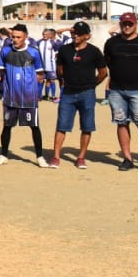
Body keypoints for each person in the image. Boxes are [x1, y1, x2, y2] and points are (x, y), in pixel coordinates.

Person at [104, 11, 138, 174]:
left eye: (130, 24)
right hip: (117, 90)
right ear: (120, 24)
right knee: (121, 123)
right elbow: (108, 61)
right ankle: (127, 158)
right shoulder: (111, 43)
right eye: (124, 24)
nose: (127, 26)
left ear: (136, 24)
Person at [49, 22, 108, 169]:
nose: (75, 35)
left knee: (87, 126)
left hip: (87, 93)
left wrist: (91, 85)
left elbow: (103, 73)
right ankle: (56, 156)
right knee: (61, 125)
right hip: (68, 93)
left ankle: (81, 157)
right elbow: (60, 70)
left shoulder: (94, 51)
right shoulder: (64, 50)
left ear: (87, 36)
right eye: (73, 32)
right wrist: (64, 84)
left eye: (79, 33)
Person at [0, 24, 45, 166]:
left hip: (29, 98)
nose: (15, 40)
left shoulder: (33, 52)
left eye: (18, 37)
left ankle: (40, 157)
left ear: (25, 37)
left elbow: (40, 74)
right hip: (10, 98)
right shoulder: (5, 51)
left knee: (34, 126)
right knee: (7, 126)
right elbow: (2, 72)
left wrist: (35, 91)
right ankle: (3, 155)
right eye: (13, 37)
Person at [37, 27, 61, 102]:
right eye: (43, 34)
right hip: (41, 66)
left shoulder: (53, 43)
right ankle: (39, 96)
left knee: (51, 81)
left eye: (46, 34)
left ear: (49, 35)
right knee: (40, 80)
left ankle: (53, 96)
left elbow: (57, 53)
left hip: (51, 66)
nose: (44, 35)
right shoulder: (39, 42)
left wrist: (54, 61)